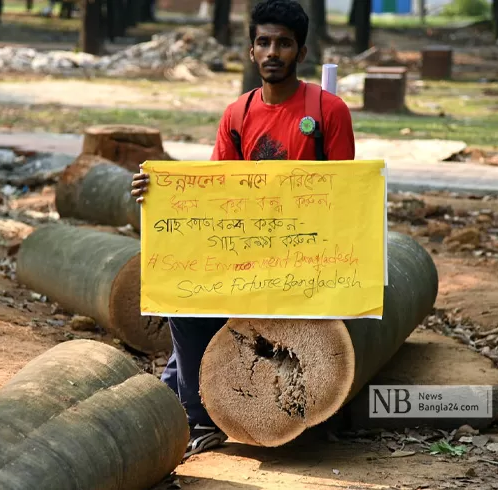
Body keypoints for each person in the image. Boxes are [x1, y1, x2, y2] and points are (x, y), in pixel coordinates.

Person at [131, 0, 356, 459]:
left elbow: (346, 198)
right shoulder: (237, 114)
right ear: (251, 51)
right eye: (264, 42)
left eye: (284, 43)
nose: (273, 52)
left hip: (306, 260)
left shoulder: (328, 111)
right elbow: (220, 193)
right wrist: (157, 191)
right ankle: (200, 418)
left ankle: (177, 394)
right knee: (185, 300)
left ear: (302, 51)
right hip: (246, 254)